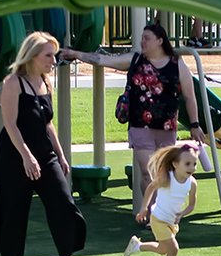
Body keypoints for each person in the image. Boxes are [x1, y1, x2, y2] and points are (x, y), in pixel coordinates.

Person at [62, 20, 208, 201]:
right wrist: (75, 53)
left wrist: (194, 124)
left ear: (160, 41)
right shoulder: (136, 59)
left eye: (147, 38)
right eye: (142, 38)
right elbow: (102, 60)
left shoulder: (177, 64)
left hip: (167, 127)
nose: (142, 42)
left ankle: (162, 211)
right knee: (148, 173)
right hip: (140, 125)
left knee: (164, 173)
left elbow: (190, 97)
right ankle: (150, 213)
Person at [0, 31, 96, 256]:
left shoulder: (45, 81)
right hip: (14, 155)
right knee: (13, 210)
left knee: (63, 203)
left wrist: (61, 155)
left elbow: (47, 123)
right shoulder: (12, 83)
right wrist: (26, 156)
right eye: (48, 55)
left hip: (44, 153)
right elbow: (10, 124)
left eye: (55, 54)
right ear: (32, 55)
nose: (54, 60)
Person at [124, 141, 199, 256]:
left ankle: (138, 246)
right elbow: (151, 187)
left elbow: (191, 205)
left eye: (194, 164)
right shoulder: (167, 178)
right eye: (188, 163)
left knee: (162, 250)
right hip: (158, 219)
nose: (192, 168)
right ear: (175, 164)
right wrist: (144, 208)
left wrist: (182, 214)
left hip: (172, 222)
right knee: (174, 249)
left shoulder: (192, 183)